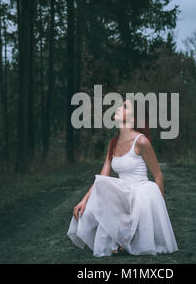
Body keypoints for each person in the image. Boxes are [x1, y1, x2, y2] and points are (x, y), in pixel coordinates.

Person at [67, 98, 178, 257]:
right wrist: (84, 200)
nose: (118, 107)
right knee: (103, 185)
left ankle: (127, 238)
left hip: (141, 194)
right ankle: (122, 239)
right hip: (124, 194)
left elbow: (158, 176)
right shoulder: (113, 142)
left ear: (133, 118)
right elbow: (102, 177)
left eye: (124, 106)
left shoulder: (141, 141)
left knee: (112, 189)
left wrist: (159, 213)